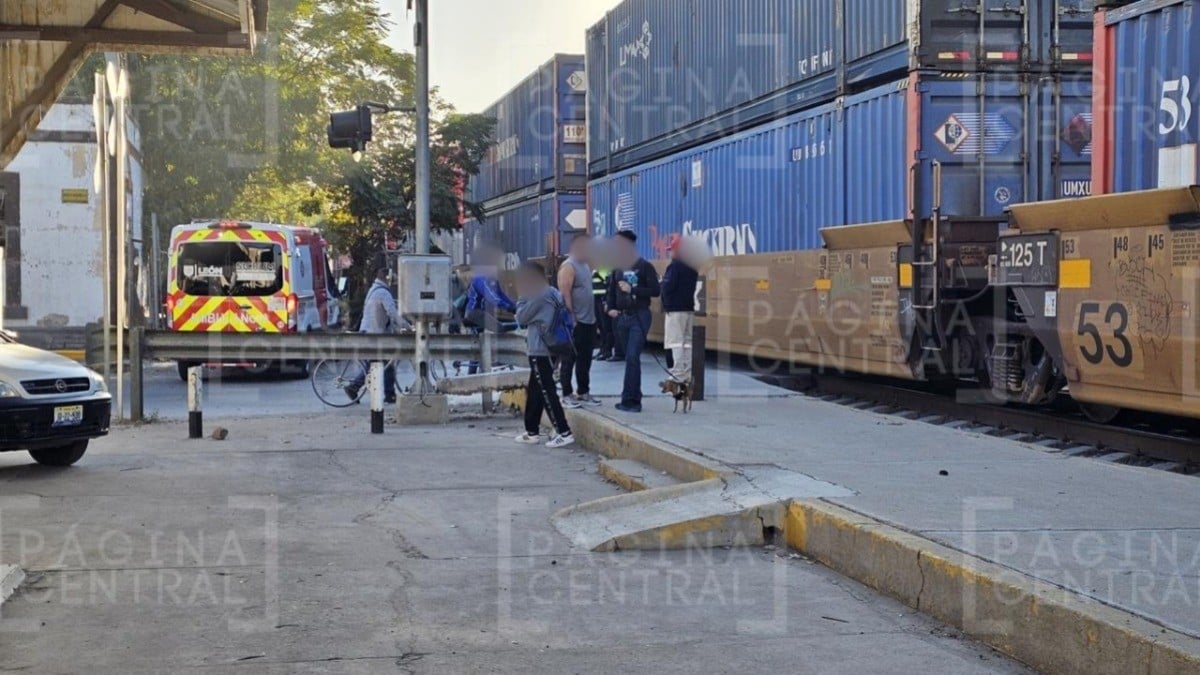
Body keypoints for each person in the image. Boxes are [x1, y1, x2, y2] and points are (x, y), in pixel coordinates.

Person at [514, 261, 575, 448]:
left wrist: (522, 297)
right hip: (550, 347)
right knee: (536, 390)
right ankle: (531, 431)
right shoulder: (552, 292)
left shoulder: (540, 295)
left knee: (547, 391)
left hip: (541, 349)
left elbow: (521, 317)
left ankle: (564, 431)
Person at [606, 230, 660, 413]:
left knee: (632, 357)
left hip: (639, 316)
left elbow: (655, 290)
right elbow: (611, 291)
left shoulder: (644, 266)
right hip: (622, 318)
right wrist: (610, 308)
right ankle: (633, 396)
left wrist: (633, 289)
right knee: (629, 359)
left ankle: (630, 401)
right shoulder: (617, 268)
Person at [347, 267, 406, 404]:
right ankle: (355, 386)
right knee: (379, 361)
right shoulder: (383, 293)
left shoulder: (374, 289)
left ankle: (388, 393)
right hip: (374, 334)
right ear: (387, 278)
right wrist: (406, 326)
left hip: (369, 331)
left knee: (382, 361)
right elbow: (392, 313)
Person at [557, 235, 600, 407]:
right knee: (569, 358)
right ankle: (566, 394)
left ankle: (583, 392)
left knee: (585, 359)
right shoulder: (569, 266)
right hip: (575, 322)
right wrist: (571, 318)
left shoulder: (586, 265)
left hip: (589, 321)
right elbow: (564, 293)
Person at [660, 235, 700, 384]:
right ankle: (688, 373)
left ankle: (678, 374)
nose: (670, 253)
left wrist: (661, 284)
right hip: (688, 308)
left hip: (675, 310)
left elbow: (668, 286)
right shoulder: (693, 267)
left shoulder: (674, 266)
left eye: (672, 250)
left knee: (675, 342)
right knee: (687, 342)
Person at [592, 266, 615, 361]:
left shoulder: (603, 268)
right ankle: (602, 349)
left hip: (602, 300)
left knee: (606, 327)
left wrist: (606, 302)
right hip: (597, 299)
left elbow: (609, 285)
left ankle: (607, 351)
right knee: (600, 326)